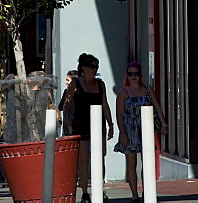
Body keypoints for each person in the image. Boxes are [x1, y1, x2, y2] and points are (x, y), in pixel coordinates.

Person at [62, 53, 114, 203]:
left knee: (100, 158)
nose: (94, 69)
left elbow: (105, 104)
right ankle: (85, 192)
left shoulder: (100, 84)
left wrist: (110, 124)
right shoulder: (75, 83)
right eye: (92, 66)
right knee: (83, 159)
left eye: (96, 66)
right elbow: (67, 102)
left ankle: (99, 187)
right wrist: (66, 116)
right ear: (84, 68)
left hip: (99, 124)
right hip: (82, 123)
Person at [114, 62, 167, 203]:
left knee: (147, 162)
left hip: (146, 128)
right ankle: (134, 195)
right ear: (127, 75)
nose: (133, 77)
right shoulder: (123, 92)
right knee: (131, 163)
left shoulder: (148, 90)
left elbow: (157, 107)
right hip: (129, 129)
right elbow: (119, 114)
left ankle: (146, 190)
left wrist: (164, 124)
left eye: (136, 74)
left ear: (140, 75)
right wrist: (122, 132)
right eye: (130, 74)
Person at [58, 70, 78, 136]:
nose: (66, 82)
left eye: (68, 80)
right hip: (69, 124)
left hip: (73, 124)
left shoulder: (68, 92)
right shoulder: (66, 92)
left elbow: (60, 107)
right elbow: (60, 107)